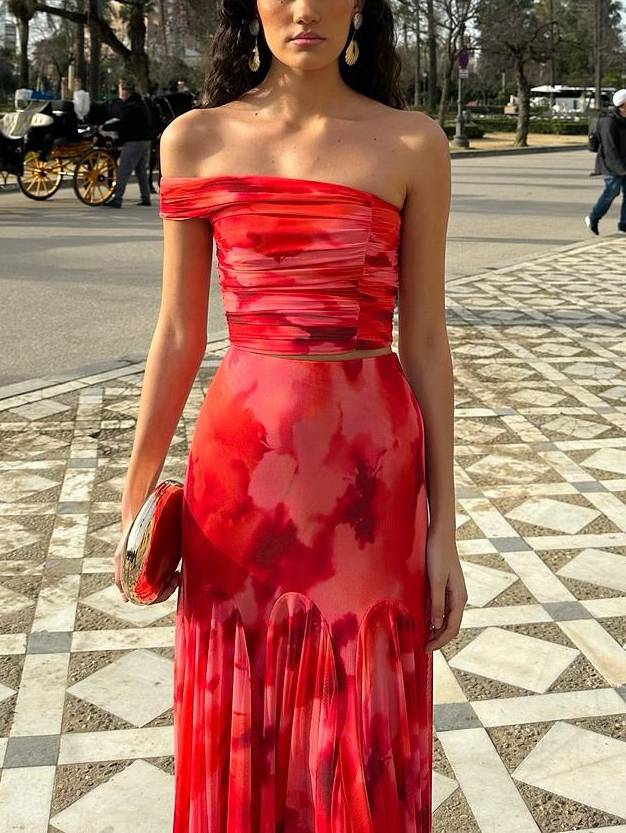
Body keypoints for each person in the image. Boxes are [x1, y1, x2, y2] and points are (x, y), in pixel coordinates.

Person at [114, 0, 466, 830]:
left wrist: (444, 526)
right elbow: (177, 332)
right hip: (240, 476)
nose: (304, 8)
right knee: (243, 706)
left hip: (370, 483)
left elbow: (424, 340)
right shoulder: (195, 139)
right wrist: (135, 498)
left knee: (363, 704)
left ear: (360, 7)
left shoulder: (412, 142)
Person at [104, 79, 154, 208]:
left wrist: (105, 127)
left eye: (121, 90)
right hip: (145, 140)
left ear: (126, 92)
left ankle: (117, 198)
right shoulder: (141, 103)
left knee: (124, 170)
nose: (120, 93)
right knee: (141, 171)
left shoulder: (130, 106)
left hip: (134, 141)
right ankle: (146, 197)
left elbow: (123, 124)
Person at [585, 88, 626, 235]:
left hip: (623, 162)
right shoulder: (609, 122)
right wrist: (621, 169)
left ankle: (624, 224)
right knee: (612, 191)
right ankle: (593, 217)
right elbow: (610, 148)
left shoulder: (624, 120)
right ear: (623, 104)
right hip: (611, 164)